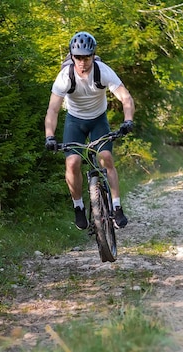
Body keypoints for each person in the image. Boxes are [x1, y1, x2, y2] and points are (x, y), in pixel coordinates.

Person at [44, 31, 135, 230]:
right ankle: (78, 207)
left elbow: (126, 98)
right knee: (72, 162)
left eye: (87, 57)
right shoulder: (65, 77)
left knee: (106, 158)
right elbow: (53, 109)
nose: (83, 62)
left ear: (93, 55)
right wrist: (49, 136)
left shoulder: (102, 71)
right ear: (72, 56)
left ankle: (117, 207)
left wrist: (128, 120)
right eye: (78, 57)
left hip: (98, 120)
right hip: (74, 121)